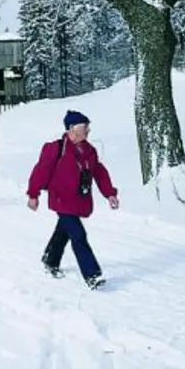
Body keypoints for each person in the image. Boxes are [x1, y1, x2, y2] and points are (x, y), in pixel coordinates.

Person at [26, 110, 119, 289]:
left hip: (78, 199)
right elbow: (41, 171)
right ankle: (92, 275)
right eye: (85, 127)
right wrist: (33, 194)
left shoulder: (89, 150)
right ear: (72, 129)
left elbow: (98, 172)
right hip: (61, 199)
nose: (88, 130)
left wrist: (110, 193)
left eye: (88, 127)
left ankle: (50, 260)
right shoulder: (55, 148)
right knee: (78, 235)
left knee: (64, 230)